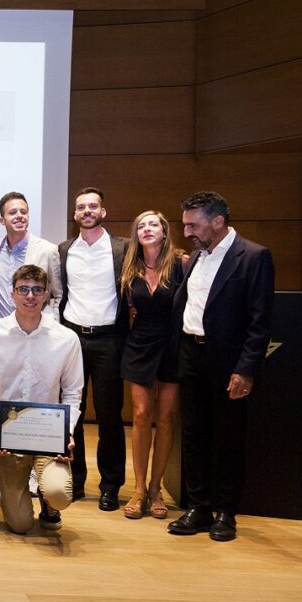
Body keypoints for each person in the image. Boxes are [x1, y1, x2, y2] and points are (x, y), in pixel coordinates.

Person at [168, 191, 274, 542]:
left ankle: (226, 513)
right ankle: (199, 507)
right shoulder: (197, 255)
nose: (187, 233)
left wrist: (246, 369)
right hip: (190, 354)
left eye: (192, 225)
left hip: (228, 362)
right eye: (185, 225)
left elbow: (260, 322)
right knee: (194, 434)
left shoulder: (254, 257)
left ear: (218, 221)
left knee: (228, 438)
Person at [0, 265, 84, 534]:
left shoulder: (66, 339)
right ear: (12, 294)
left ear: (46, 294)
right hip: (10, 435)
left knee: (60, 493)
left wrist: (66, 432)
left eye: (37, 290)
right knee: (21, 525)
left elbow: (73, 392)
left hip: (49, 434)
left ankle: (50, 502)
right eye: (23, 289)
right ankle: (4, 485)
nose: (30, 296)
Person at [57, 187, 129, 509]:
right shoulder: (64, 250)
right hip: (72, 338)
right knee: (72, 414)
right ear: (75, 215)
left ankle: (110, 485)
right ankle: (76, 480)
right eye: (81, 207)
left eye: (93, 206)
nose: (87, 211)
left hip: (109, 339)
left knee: (109, 416)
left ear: (103, 211)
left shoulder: (122, 249)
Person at [119, 210, 184, 520]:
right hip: (140, 344)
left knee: (167, 417)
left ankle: (157, 488)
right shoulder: (129, 268)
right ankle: (139, 489)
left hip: (172, 345)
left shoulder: (181, 264)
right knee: (142, 415)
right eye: (141, 225)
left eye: (152, 224)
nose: (146, 229)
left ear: (164, 230)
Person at [0, 191, 61, 323]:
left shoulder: (48, 250)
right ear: (2, 220)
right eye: (13, 212)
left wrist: (52, 325)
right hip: (0, 330)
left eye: (23, 212)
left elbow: (59, 295)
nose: (19, 216)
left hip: (35, 331)